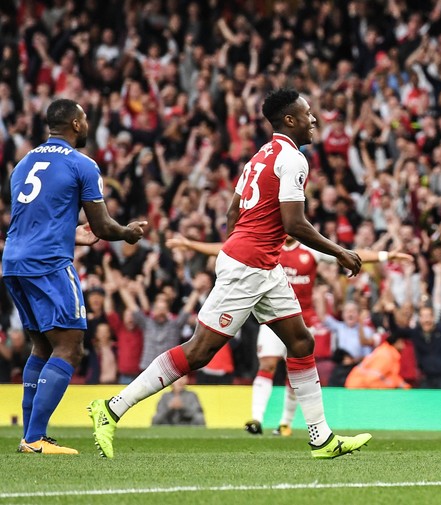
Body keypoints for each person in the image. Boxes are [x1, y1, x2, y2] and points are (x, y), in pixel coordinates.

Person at [87, 88, 371, 459]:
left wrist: (242, 245)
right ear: (290, 120)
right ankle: (111, 409)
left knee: (301, 342)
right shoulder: (292, 158)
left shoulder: (260, 156)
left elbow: (233, 212)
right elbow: (295, 224)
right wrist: (341, 253)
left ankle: (321, 438)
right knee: (200, 351)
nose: (313, 119)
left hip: (260, 263)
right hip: (250, 265)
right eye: (307, 113)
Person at [4, 98, 146, 455]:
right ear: (77, 125)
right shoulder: (82, 163)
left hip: (14, 261)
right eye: (85, 119)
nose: (88, 124)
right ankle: (34, 437)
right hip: (49, 264)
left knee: (42, 345)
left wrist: (70, 232)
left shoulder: (23, 163)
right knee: (70, 346)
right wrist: (127, 233)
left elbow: (37, 219)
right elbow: (102, 226)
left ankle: (30, 436)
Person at [166, 234, 411, 436]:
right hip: (271, 318)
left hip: (302, 323)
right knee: (268, 363)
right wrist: (189, 244)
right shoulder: (267, 245)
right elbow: (227, 247)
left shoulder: (312, 250)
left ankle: (285, 424)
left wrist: (386, 255)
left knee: (296, 371)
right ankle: (256, 420)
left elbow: (348, 253)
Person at [345, 335, 410, 389]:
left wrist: (404, 386)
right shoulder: (385, 356)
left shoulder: (389, 354)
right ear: (396, 343)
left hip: (359, 386)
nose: (403, 346)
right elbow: (372, 379)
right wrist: (390, 387)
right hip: (357, 388)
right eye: (401, 342)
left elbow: (390, 376)